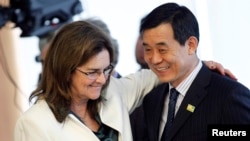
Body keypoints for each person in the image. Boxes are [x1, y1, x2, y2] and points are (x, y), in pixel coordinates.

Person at [14, 17, 236, 141]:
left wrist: (195, 64)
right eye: (91, 72)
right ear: (65, 70)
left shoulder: (115, 91)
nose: (102, 80)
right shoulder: (35, 123)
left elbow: (154, 75)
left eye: (107, 69)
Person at [140, 2, 250, 141]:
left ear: (191, 45)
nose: (154, 59)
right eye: (148, 49)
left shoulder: (228, 96)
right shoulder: (152, 100)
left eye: (162, 50)